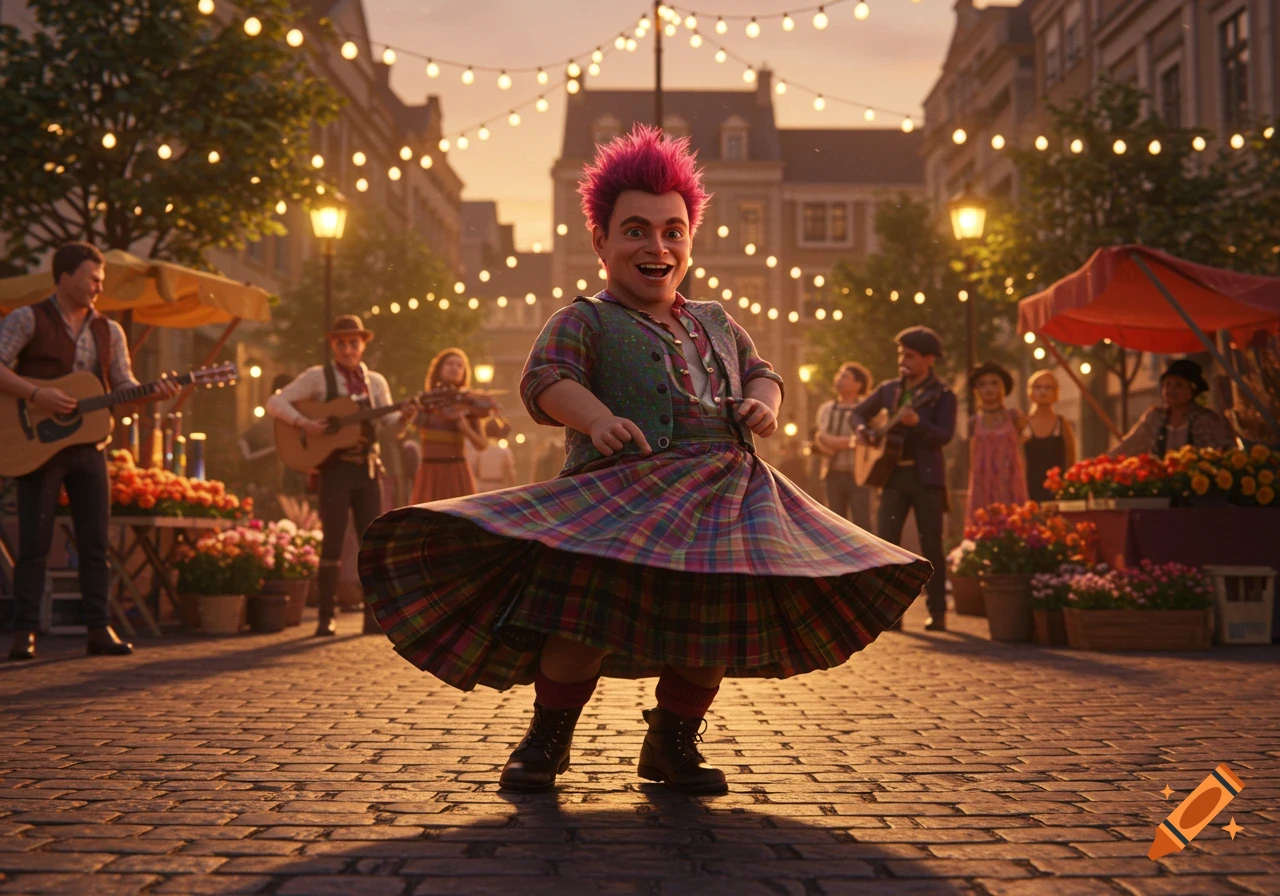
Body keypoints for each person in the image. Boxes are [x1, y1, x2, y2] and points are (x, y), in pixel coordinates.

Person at [360, 124, 930, 795]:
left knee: (707, 630)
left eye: (672, 231)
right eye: (635, 230)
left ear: (689, 241)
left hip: (724, 494)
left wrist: (763, 403)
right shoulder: (584, 319)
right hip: (619, 495)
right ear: (600, 241)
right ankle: (548, 739)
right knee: (583, 618)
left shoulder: (717, 319)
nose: (656, 246)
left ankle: (671, 743)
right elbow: (546, 379)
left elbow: (761, 370)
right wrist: (597, 418)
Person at [0, 242, 178, 660]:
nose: (100, 284)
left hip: (89, 445)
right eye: (92, 277)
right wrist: (37, 393)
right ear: (64, 277)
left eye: (101, 278)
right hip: (35, 445)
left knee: (97, 541)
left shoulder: (109, 331)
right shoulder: (28, 318)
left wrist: (155, 393)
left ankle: (99, 628)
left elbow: (122, 386)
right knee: (34, 542)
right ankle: (24, 630)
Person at [266, 315, 414, 637]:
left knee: (370, 543)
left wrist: (405, 418)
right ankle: (325, 616)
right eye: (342, 343)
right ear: (333, 345)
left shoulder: (376, 382)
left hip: (367, 468)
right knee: (332, 541)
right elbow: (275, 402)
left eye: (354, 343)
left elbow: (391, 429)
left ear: (363, 345)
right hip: (335, 469)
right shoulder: (317, 378)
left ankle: (372, 617)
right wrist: (305, 424)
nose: (348, 349)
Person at [851, 327, 956, 632]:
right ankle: (890, 614)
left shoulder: (943, 395)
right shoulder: (888, 389)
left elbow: (945, 436)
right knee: (887, 545)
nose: (903, 360)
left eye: (909, 355)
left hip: (926, 479)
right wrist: (863, 432)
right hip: (892, 476)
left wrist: (919, 423)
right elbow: (858, 413)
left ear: (929, 359)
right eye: (901, 354)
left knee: (932, 545)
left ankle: (937, 612)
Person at [410, 348, 489, 504]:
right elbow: (412, 427)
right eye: (450, 364)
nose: (455, 368)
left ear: (464, 372)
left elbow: (482, 445)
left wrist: (465, 429)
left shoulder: (469, 403)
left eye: (460, 365)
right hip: (430, 471)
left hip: (457, 471)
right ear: (439, 369)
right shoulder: (426, 401)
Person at [1111, 358, 1234, 457]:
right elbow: (1130, 444)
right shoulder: (1154, 417)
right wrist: (1105, 461)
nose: (1170, 390)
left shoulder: (1207, 419)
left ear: (1192, 390)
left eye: (1178, 385)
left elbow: (1225, 451)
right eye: (1167, 385)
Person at [965, 361, 1029, 523]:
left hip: (1010, 483)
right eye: (982, 385)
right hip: (983, 486)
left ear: (1004, 387)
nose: (988, 389)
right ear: (976, 390)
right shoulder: (973, 422)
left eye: (994, 383)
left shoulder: (1015, 417)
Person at [813, 361, 873, 529]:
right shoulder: (827, 409)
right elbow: (821, 436)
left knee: (862, 524)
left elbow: (872, 438)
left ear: (858, 384)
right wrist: (852, 443)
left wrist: (833, 442)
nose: (839, 379)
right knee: (835, 524)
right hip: (833, 473)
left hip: (860, 475)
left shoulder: (868, 408)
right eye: (839, 375)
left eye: (845, 376)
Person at [1023, 370, 1076, 500]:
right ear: (1030, 391)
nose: (1043, 391)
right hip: (1028, 491)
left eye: (1048, 387)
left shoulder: (1062, 424)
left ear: (1055, 392)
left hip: (1057, 491)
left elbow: (1071, 460)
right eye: (1038, 387)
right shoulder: (1023, 424)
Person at [473, 427, 517, 492]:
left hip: (482, 486)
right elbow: (510, 473)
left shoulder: (479, 449)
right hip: (498, 486)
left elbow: (474, 468)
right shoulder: (504, 450)